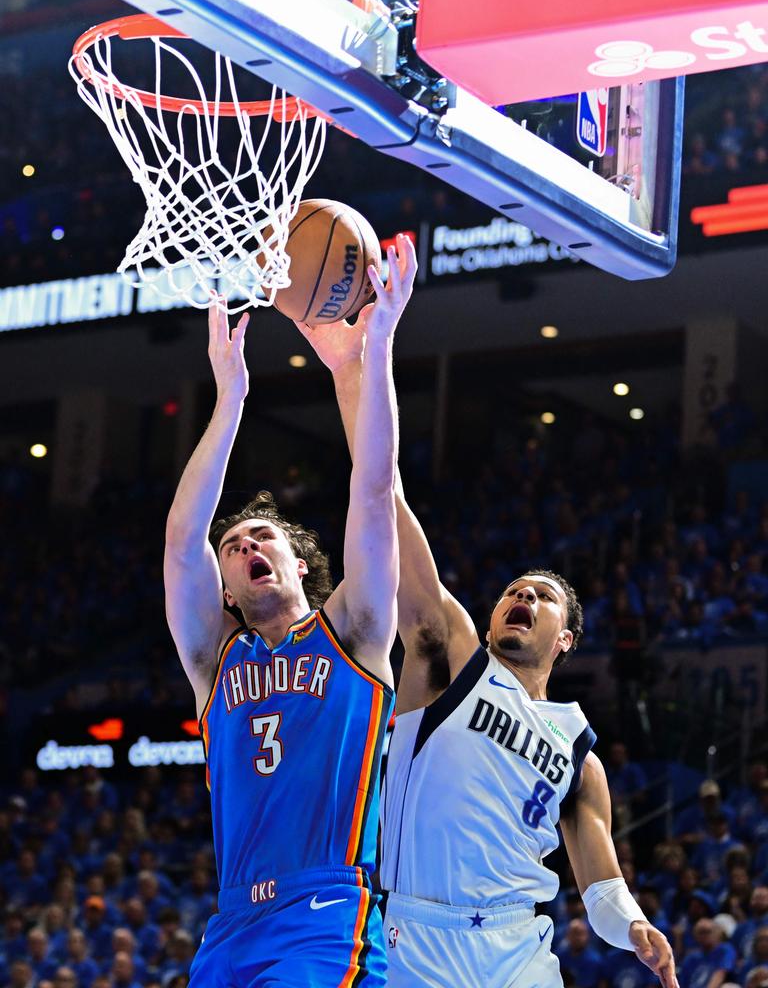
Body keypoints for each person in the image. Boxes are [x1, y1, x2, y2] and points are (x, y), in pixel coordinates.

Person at [299, 299, 679, 988]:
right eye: (513, 591)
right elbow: (383, 497)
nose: (521, 599)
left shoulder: (576, 747)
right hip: (417, 937)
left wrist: (635, 928)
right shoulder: (453, 658)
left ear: (564, 639)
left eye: (541, 597)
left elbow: (600, 887)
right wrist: (352, 370)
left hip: (517, 947)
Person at [164, 235, 417, 987]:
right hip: (230, 922)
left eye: (261, 537)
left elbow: (373, 489)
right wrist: (230, 400)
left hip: (327, 912)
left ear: (299, 562)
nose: (244, 549)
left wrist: (378, 351)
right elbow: (183, 542)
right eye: (234, 547)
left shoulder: (356, 629)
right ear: (228, 589)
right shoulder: (215, 659)